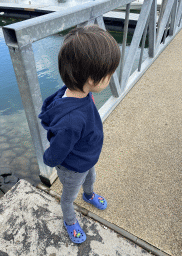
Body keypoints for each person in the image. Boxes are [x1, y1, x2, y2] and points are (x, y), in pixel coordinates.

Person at [38, 24, 121, 244]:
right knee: (68, 197)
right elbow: (58, 149)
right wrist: (50, 161)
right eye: (109, 74)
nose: (111, 77)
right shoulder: (72, 120)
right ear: (92, 80)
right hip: (73, 166)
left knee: (91, 177)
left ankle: (89, 194)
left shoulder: (77, 92)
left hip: (86, 157)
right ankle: (70, 219)